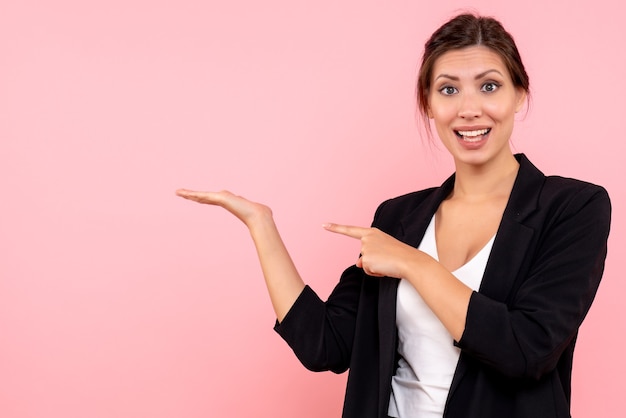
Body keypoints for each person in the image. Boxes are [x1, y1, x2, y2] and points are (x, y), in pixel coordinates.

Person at [176, 13, 611, 418]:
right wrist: (261, 225)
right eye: (448, 89)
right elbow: (325, 345)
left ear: (520, 95)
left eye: (490, 86)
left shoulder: (573, 208)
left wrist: (413, 263)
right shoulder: (399, 217)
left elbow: (526, 349)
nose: (469, 108)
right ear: (428, 103)